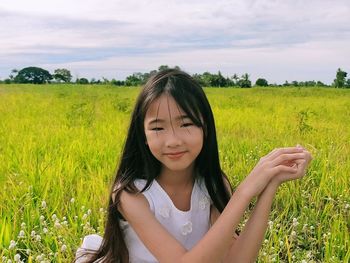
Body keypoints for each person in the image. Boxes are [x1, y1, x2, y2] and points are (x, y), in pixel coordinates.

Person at [75, 69, 312, 263]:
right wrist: (245, 192)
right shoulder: (130, 193)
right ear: (143, 136)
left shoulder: (213, 184)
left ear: (205, 128)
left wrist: (270, 185)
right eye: (158, 128)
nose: (173, 141)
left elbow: (237, 260)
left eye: (186, 123)